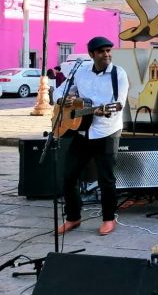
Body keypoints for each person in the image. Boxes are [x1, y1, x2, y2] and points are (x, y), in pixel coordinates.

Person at [53, 36, 129, 236]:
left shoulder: (118, 74)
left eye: (108, 51)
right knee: (69, 176)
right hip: (82, 130)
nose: (106, 54)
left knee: (106, 179)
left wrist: (101, 110)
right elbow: (59, 92)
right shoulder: (81, 72)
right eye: (102, 51)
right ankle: (73, 217)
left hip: (107, 130)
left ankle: (109, 218)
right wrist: (64, 99)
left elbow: (118, 103)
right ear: (91, 54)